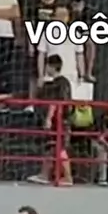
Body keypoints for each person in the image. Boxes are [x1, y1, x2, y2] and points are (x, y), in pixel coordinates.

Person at [27, 54, 73, 186]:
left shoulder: (59, 83)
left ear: (52, 66)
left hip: (58, 120)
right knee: (52, 147)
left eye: (47, 66)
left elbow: (55, 102)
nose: (45, 68)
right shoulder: (63, 82)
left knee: (59, 148)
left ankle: (68, 177)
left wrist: (49, 118)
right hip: (61, 119)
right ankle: (44, 174)